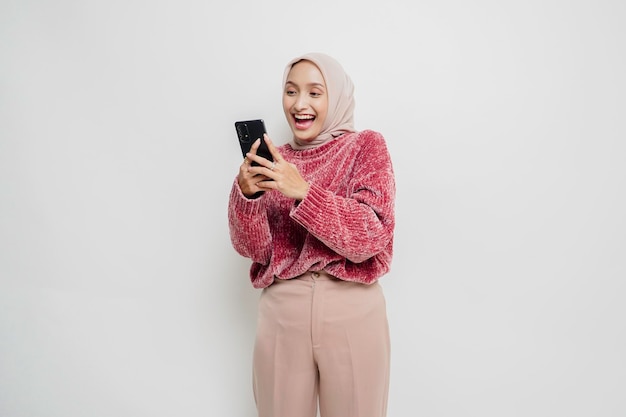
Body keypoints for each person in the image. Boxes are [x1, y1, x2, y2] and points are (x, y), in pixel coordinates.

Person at [228, 52, 396, 417]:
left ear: (335, 96)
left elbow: (371, 235)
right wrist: (247, 196)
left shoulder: (365, 146)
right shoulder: (276, 159)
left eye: (314, 93)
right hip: (282, 311)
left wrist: (303, 191)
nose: (299, 104)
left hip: (352, 306)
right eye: (291, 91)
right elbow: (254, 249)